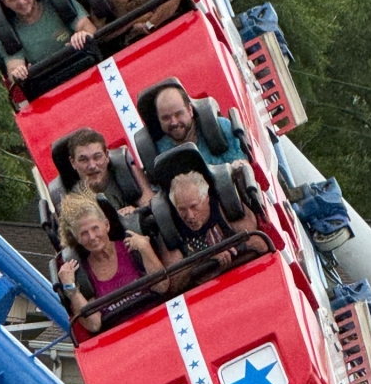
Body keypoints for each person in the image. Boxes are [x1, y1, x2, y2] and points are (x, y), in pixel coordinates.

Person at [58, 193, 167, 334]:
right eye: (84, 233)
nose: (92, 237)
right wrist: (71, 289)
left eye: (95, 228)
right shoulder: (82, 272)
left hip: (156, 321)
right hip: (119, 337)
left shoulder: (132, 246)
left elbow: (162, 286)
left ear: (107, 225)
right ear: (77, 238)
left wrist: (145, 248)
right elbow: (94, 324)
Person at [168, 171, 266, 270]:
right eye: (182, 210)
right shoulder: (173, 229)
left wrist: (229, 254)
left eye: (194, 206)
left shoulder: (225, 208)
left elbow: (260, 244)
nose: (190, 216)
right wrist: (208, 260)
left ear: (206, 198)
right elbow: (174, 281)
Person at [66, 128, 153, 215]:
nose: (92, 166)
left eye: (97, 157)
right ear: (73, 162)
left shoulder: (126, 169)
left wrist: (136, 212)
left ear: (107, 155)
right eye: (84, 160)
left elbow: (152, 206)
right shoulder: (73, 202)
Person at [154, 85, 244, 165]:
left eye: (178, 114)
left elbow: (243, 165)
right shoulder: (158, 152)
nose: (174, 122)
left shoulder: (221, 128)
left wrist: (238, 167)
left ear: (190, 110)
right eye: (166, 118)